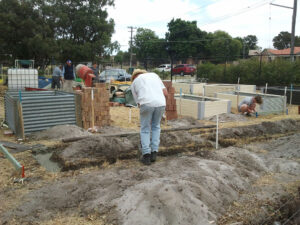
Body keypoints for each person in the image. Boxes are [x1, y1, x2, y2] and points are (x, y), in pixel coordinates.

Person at [131, 69, 168, 165]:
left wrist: (146, 113)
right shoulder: (154, 75)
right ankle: (154, 153)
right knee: (156, 127)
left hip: (146, 103)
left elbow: (138, 103)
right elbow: (165, 93)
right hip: (161, 103)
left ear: (134, 76)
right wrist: (163, 109)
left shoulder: (134, 83)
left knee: (145, 129)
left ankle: (146, 155)